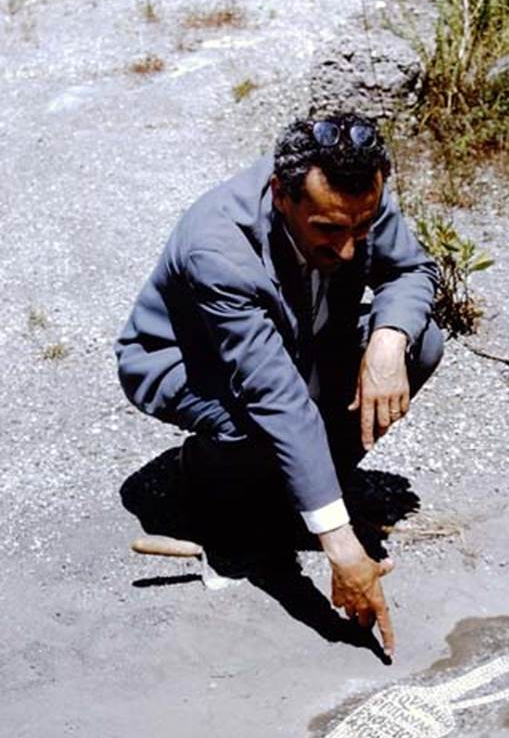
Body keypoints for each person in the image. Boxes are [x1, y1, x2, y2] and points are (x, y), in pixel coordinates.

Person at [115, 113, 443, 657]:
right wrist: (340, 547)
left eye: (360, 230)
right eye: (328, 231)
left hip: (299, 343)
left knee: (419, 344)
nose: (346, 249)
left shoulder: (356, 198)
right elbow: (276, 397)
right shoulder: (218, 246)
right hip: (190, 361)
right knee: (250, 423)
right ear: (281, 195)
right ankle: (206, 483)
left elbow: (411, 272)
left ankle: (303, 492)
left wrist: (387, 340)